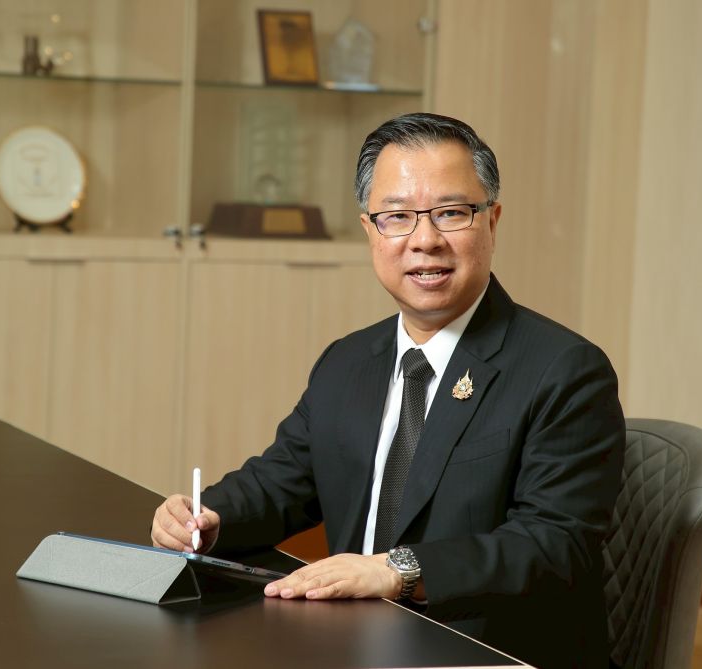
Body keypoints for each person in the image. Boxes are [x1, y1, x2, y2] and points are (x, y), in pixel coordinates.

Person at [152, 112, 624, 669]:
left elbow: (554, 544)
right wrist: (207, 518)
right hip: (355, 642)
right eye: (397, 217)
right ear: (370, 231)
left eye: (451, 213)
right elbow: (282, 480)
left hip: (483, 649)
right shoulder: (349, 361)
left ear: (492, 222)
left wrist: (397, 571)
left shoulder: (564, 370)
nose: (425, 241)